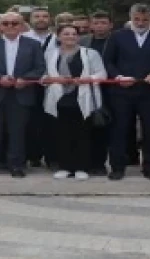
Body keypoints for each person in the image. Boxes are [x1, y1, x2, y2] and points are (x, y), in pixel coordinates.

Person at [101, 4, 150, 182]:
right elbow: (108, 61)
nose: (140, 23)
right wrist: (118, 77)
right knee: (119, 129)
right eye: (137, 19)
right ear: (131, 17)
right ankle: (118, 167)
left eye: (145, 20)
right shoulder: (117, 36)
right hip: (122, 91)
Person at [0, 12, 46, 178]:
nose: (10, 26)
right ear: (0, 26)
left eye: (14, 23)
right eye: (6, 23)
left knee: (17, 132)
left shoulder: (33, 44)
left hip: (21, 93)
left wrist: (25, 79)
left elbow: (40, 67)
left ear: (22, 25)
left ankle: (16, 165)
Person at [43, 25, 106, 180]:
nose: (70, 36)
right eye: (66, 34)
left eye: (73, 34)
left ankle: (81, 167)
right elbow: (43, 76)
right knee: (61, 134)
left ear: (78, 37)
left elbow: (101, 74)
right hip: (59, 99)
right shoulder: (50, 54)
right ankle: (65, 166)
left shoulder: (90, 53)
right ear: (59, 37)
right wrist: (55, 79)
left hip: (82, 98)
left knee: (83, 134)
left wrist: (87, 79)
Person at [80, 11, 114, 175]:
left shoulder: (116, 40)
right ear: (91, 25)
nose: (100, 26)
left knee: (103, 126)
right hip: (87, 89)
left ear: (110, 25)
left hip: (111, 88)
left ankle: (100, 163)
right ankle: (86, 161)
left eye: (103, 23)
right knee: (87, 126)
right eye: (96, 23)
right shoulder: (82, 41)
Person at [22, 7, 55, 168]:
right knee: (30, 122)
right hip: (29, 85)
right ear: (30, 19)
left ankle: (51, 157)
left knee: (51, 122)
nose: (41, 19)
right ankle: (33, 155)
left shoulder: (57, 38)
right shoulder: (22, 38)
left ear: (50, 19)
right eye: (37, 16)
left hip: (53, 85)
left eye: (44, 16)